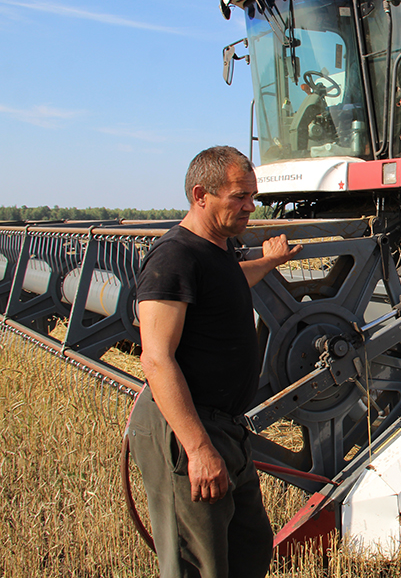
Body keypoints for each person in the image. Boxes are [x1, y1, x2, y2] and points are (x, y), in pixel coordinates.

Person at [128, 146, 302, 578]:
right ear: (201, 194)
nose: (250, 207)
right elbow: (157, 358)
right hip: (189, 429)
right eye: (239, 196)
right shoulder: (174, 258)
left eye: (253, 197)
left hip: (227, 428)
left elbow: (228, 283)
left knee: (249, 549)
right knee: (200, 564)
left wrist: (269, 261)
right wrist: (198, 448)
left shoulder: (216, 250)